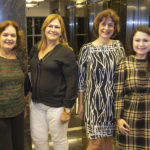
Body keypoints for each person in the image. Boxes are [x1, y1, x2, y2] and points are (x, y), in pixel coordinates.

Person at [78, 9, 125, 150]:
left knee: (110, 141)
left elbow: (123, 76)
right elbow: (80, 80)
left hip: (113, 103)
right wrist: (80, 104)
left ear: (114, 28)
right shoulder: (87, 49)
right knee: (95, 142)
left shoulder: (118, 46)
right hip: (94, 103)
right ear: (97, 26)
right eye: (103, 24)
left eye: (110, 25)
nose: (106, 28)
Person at [29, 14, 78, 150]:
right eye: (50, 26)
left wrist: (67, 110)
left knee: (59, 140)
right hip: (36, 104)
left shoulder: (66, 53)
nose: (53, 29)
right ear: (44, 28)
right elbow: (30, 73)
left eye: (57, 27)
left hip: (57, 107)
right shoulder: (35, 48)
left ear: (61, 31)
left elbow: (72, 82)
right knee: (38, 140)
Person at [114, 25, 150, 150]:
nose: (141, 44)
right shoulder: (124, 63)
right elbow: (118, 94)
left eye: (146, 40)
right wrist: (118, 118)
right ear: (132, 42)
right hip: (131, 115)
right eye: (137, 40)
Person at [0, 20, 27, 150]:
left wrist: (24, 106)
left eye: (13, 35)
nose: (9, 38)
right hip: (1, 116)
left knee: (19, 146)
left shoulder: (18, 57)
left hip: (18, 113)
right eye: (5, 35)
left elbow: (21, 85)